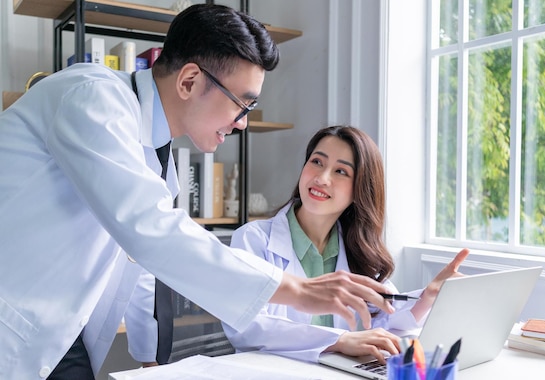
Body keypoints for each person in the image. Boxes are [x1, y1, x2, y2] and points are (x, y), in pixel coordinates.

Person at [0, 5, 395, 379]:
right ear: (189, 81)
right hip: (16, 323)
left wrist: (150, 356)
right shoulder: (91, 97)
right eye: (242, 103)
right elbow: (150, 230)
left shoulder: (156, 154)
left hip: (58, 338)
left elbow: (138, 260)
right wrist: (298, 290)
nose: (241, 123)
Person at [222, 125, 470, 363]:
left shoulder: (358, 250)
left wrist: (427, 298)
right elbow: (246, 326)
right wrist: (339, 340)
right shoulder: (253, 240)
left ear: (359, 190)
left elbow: (385, 322)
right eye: (316, 162)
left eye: (341, 171)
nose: (322, 178)